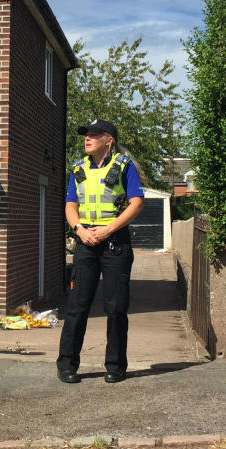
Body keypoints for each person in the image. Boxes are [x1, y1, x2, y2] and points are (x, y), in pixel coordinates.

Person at [57, 119, 144, 384]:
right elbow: (70, 204)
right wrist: (79, 229)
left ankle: (115, 366)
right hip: (85, 242)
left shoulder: (124, 166)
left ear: (109, 140)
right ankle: (67, 365)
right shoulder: (78, 168)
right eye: (86, 134)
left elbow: (136, 203)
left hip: (115, 243)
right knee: (77, 306)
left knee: (115, 307)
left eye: (94, 134)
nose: (87, 138)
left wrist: (107, 230)